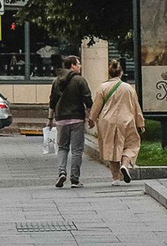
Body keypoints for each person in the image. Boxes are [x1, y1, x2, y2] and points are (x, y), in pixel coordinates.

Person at [91, 57, 144, 184]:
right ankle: (125, 164)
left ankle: (115, 178)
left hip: (107, 121)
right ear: (121, 73)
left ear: (109, 73)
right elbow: (136, 107)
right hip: (126, 120)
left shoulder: (102, 87)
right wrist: (140, 123)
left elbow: (96, 106)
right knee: (132, 144)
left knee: (112, 147)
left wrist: (92, 119)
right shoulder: (128, 88)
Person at [48, 52, 93, 189]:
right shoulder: (80, 80)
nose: (80, 66)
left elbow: (52, 102)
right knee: (77, 149)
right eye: (78, 63)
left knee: (62, 147)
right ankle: (75, 179)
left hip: (61, 119)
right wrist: (91, 116)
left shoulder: (56, 81)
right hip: (77, 119)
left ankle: (61, 172)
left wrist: (50, 119)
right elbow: (88, 100)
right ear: (72, 65)